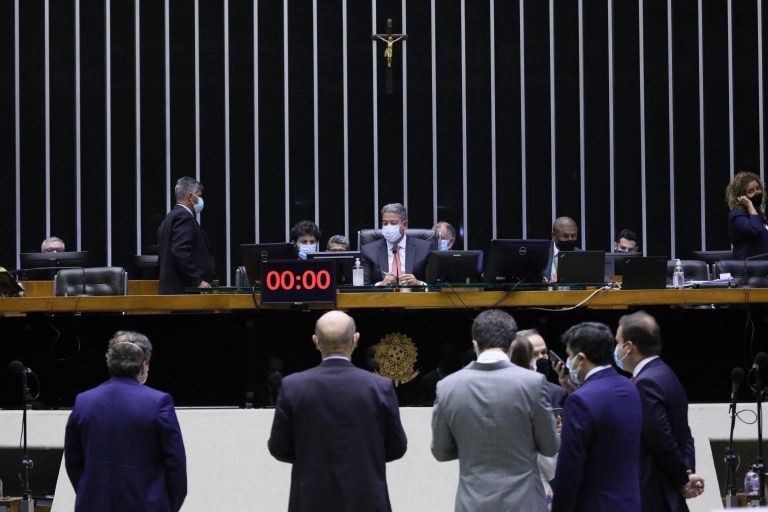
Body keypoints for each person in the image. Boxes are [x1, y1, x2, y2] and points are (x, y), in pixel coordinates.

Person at [267, 310, 407, 512]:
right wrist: (365, 457)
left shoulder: (293, 386)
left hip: (311, 501)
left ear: (315, 341)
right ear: (356, 339)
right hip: (367, 500)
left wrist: (310, 457)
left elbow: (278, 448)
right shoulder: (380, 387)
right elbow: (397, 447)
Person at [431, 309, 559, 512]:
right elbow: (550, 447)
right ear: (513, 344)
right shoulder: (533, 383)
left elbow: (440, 451)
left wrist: (469, 445)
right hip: (524, 502)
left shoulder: (447, 386)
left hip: (472, 503)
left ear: (474, 344)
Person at [64, 331, 187, 512]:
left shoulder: (83, 402)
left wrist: (89, 495)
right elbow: (176, 465)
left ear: (109, 362)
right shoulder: (158, 402)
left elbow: (73, 462)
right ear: (144, 365)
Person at [614, 311, 704, 511]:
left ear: (629, 347)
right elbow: (684, 433)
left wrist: (682, 479)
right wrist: (687, 471)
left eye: (618, 342)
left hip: (654, 494)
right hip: (667, 492)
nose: (616, 349)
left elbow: (662, 439)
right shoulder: (666, 373)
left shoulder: (645, 382)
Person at [551, 321, 642, 512]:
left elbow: (570, 468)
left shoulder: (579, 401)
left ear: (581, 358)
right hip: (630, 502)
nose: (568, 362)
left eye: (569, 356)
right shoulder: (630, 387)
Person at [157, 176, 215, 294]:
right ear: (191, 197)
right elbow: (180, 250)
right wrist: (198, 280)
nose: (201, 200)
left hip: (174, 291)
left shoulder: (170, 217)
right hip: (186, 292)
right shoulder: (184, 217)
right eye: (199, 195)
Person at [361, 203, 431, 286]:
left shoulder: (424, 248)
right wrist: (380, 284)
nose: (388, 227)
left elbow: (435, 283)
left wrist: (419, 284)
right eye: (385, 223)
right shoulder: (368, 251)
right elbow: (363, 286)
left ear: (405, 225)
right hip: (382, 297)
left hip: (414, 297)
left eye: (393, 223)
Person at [518, 329, 567, 408]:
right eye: (534, 355)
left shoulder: (559, 394)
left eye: (544, 352)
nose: (541, 357)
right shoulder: (509, 391)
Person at [726, 171, 768, 259]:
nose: (757, 192)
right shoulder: (736, 215)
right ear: (742, 197)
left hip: (762, 266)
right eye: (751, 191)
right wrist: (749, 204)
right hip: (748, 268)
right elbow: (756, 230)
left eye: (758, 188)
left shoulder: (759, 213)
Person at [546, 216, 579, 282]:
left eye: (573, 236)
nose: (570, 239)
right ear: (553, 235)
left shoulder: (583, 256)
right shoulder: (542, 254)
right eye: (565, 236)